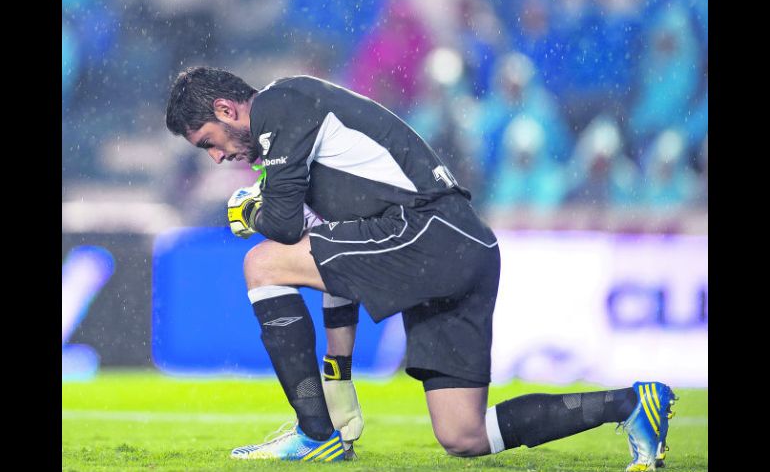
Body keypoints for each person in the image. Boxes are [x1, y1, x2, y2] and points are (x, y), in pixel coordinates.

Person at [164, 67, 677, 471]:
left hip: (427, 231)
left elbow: (277, 225)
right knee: (464, 435)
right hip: (464, 247)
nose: (216, 157)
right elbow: (331, 269)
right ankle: (633, 404)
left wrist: (250, 209)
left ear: (226, 108)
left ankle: (314, 436)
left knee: (260, 262)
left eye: (209, 141)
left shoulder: (280, 102)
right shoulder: (305, 147)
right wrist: (337, 372)